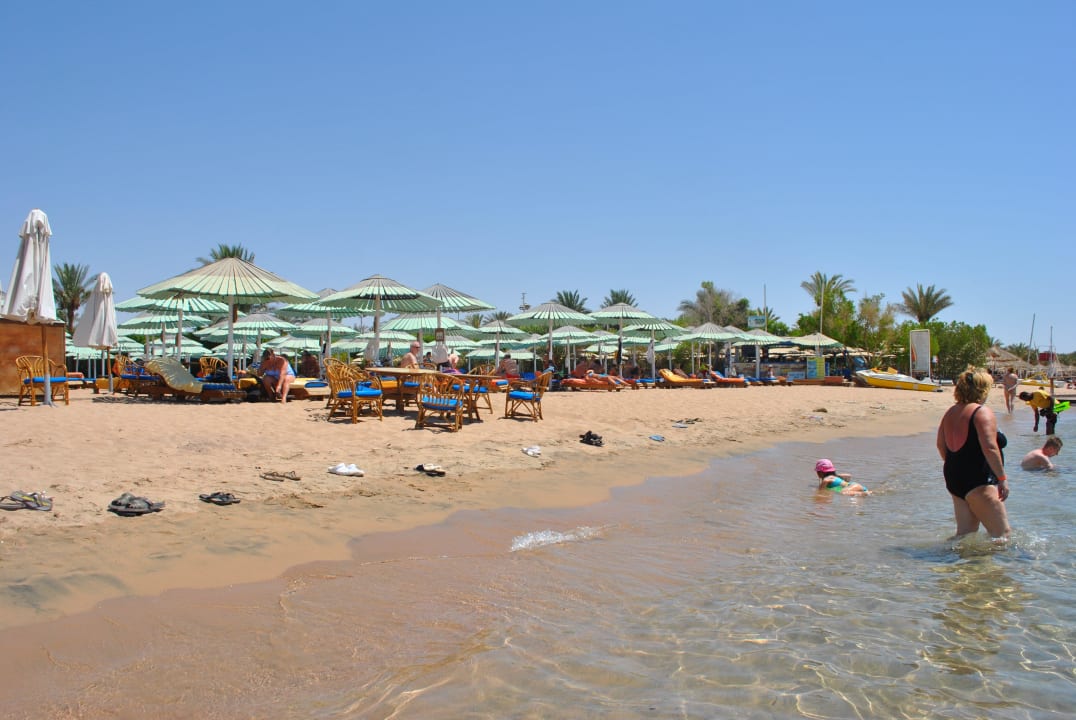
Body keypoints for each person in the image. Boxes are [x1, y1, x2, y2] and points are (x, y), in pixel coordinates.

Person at [937, 367, 1010, 539]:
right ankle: (1003, 566)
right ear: (982, 389)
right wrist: (1002, 479)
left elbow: (941, 445)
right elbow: (990, 448)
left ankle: (955, 564)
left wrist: (958, 467)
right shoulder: (981, 412)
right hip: (978, 480)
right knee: (1002, 535)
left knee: (965, 535)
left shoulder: (951, 412)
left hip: (954, 477)